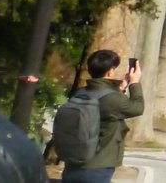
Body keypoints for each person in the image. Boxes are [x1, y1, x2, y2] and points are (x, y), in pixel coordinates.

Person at [62, 50, 145, 182]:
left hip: (73, 164)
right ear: (110, 71)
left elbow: (104, 100)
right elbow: (137, 108)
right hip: (98, 166)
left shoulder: (80, 92)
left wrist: (122, 87)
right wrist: (134, 83)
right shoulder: (113, 99)